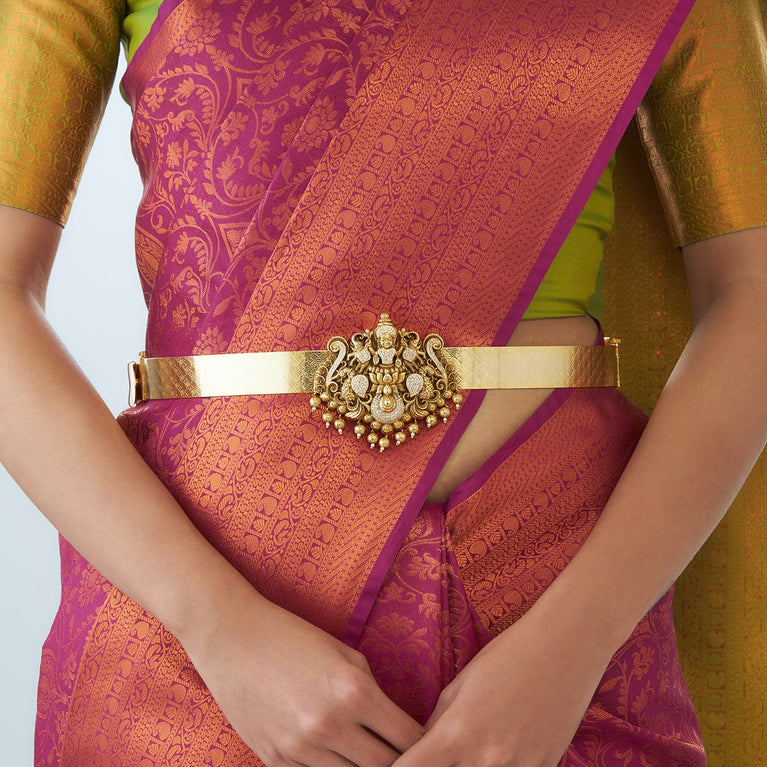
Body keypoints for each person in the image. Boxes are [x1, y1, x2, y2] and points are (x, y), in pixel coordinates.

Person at [1, 1, 765, 765]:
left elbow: (751, 293)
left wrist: (579, 637)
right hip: (198, 619)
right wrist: (214, 622)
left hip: (551, 605)